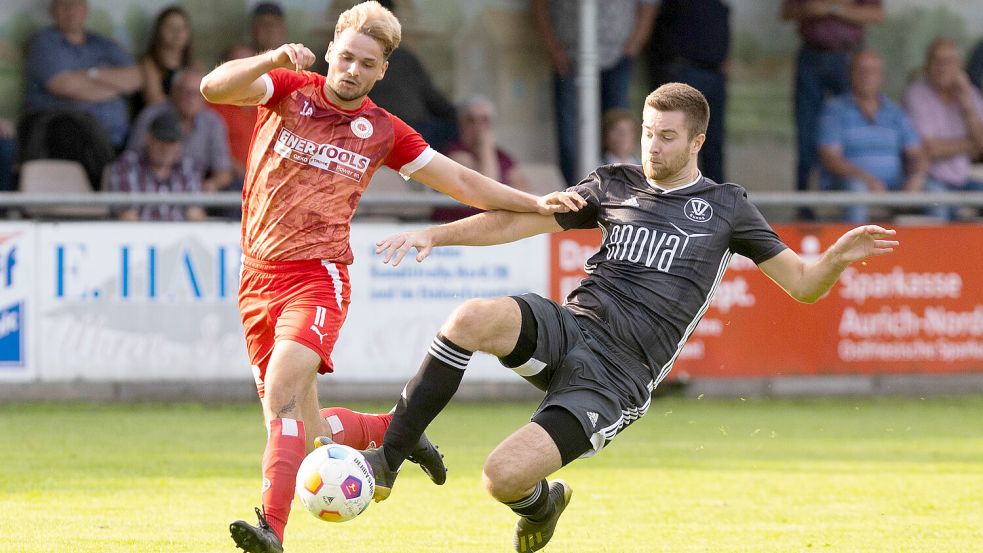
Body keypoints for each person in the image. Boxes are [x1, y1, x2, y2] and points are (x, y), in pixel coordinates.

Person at [358, 82, 899, 553]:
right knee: (472, 316)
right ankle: (391, 455)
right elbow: (517, 222)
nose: (652, 145)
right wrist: (436, 233)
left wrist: (833, 261)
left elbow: (803, 285)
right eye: (647, 131)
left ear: (696, 142)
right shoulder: (613, 184)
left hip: (617, 377)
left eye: (666, 136)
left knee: (500, 479)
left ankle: (541, 507)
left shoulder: (726, 207)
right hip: (571, 328)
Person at [197, 3, 581, 551]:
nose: (352, 69)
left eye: (366, 63)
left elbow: (462, 182)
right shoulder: (287, 88)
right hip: (256, 278)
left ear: (381, 72)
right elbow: (214, 88)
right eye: (346, 56)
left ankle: (270, 529)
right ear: (330, 51)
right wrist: (271, 56)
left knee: (283, 395)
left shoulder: (382, 130)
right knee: (305, 439)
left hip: (318, 278)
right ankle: (393, 432)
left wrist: (534, 202)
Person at [532, 0, 658, 185]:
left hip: (618, 56)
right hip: (570, 57)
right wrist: (554, 50)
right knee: (572, 137)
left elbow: (649, 6)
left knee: (619, 132)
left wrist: (633, 46)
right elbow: (538, 5)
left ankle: (624, 192)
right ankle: (578, 196)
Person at [781, 0, 884, 219]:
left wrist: (832, 8)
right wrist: (807, 10)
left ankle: (851, 199)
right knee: (807, 136)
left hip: (847, 58)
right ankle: (805, 209)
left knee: (850, 133)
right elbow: (786, 13)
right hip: (812, 55)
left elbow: (876, 15)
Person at [818, 50, 927, 223]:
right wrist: (867, 180)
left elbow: (917, 153)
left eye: (873, 71)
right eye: (861, 70)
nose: (867, 77)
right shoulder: (835, 109)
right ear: (850, 74)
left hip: (894, 185)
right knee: (856, 189)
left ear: (881, 76)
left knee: (935, 190)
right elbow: (830, 158)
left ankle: (933, 249)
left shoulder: (895, 112)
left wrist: (916, 178)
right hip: (851, 183)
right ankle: (857, 247)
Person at [23, 0, 143, 150]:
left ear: (85, 10)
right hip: (63, 138)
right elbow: (64, 86)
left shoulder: (103, 43)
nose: (70, 11)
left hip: (116, 138)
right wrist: (117, 87)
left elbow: (136, 78)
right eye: (64, 6)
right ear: (52, 12)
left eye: (75, 5)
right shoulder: (45, 43)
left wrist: (91, 74)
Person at [647, 0, 730, 183]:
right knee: (675, 139)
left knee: (711, 143)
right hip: (682, 67)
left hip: (712, 71)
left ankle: (714, 201)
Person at [903, 38, 983, 220]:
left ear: (959, 66)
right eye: (937, 61)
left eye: (949, 61)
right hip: (928, 179)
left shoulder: (969, 94)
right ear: (927, 65)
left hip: (962, 180)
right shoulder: (916, 94)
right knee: (944, 205)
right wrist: (972, 143)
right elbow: (929, 148)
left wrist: (967, 107)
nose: (942, 67)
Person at [364, 0, 459, 152]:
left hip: (411, 130)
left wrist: (460, 115)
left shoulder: (405, 57)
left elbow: (432, 97)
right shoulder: (349, 56)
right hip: (378, 130)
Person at [129, 70, 233, 196]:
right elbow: (131, 160)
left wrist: (212, 184)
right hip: (151, 188)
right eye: (186, 92)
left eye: (196, 94)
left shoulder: (213, 122)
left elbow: (223, 171)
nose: (191, 99)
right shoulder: (152, 115)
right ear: (173, 92)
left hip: (196, 192)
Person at [433, 95, 531, 221]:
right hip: (459, 226)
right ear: (461, 123)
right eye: (471, 120)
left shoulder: (502, 156)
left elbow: (524, 193)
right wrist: (485, 146)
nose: (478, 126)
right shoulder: (454, 153)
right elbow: (487, 190)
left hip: (495, 226)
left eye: (484, 120)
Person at [108, 110, 207, 221]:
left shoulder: (188, 166)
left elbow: (195, 215)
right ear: (148, 138)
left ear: (180, 144)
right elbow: (128, 217)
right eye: (161, 140)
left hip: (181, 236)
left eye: (171, 141)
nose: (166, 148)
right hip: (141, 236)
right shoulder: (127, 165)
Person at [136, 6, 198, 114]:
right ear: (158, 31)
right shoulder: (148, 63)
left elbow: (203, 101)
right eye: (171, 27)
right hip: (158, 123)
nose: (177, 32)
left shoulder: (194, 63)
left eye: (182, 27)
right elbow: (155, 102)